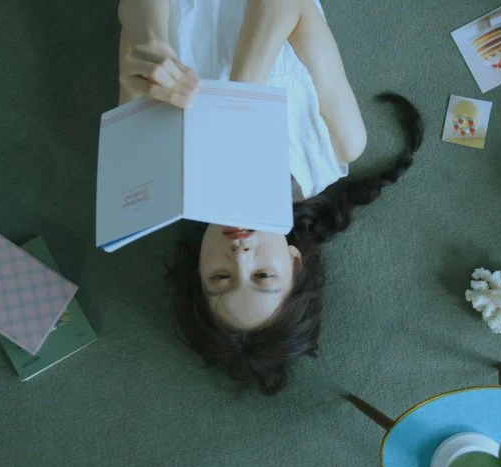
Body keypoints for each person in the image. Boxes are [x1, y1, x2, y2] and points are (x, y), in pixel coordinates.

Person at [118, 0, 424, 394]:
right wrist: (240, 101)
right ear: (295, 261)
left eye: (220, 277)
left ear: (198, 266)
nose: (240, 255)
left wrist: (152, 47)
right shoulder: (334, 147)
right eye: (263, 275)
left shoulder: (154, 170)